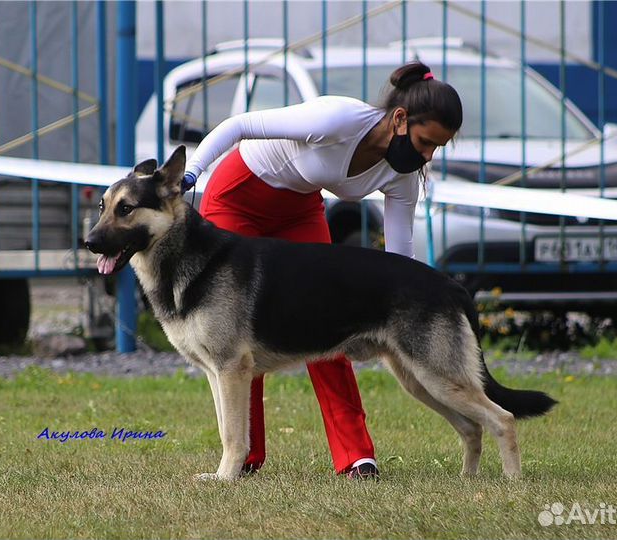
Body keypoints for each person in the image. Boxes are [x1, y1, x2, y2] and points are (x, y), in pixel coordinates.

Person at [181, 61, 463, 479]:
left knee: (330, 324)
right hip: (238, 195)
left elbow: (400, 261)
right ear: (400, 119)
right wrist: (191, 173)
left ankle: (356, 457)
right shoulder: (338, 118)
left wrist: (409, 309)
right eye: (425, 143)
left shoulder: (402, 174)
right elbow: (238, 126)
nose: (427, 156)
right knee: (237, 334)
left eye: (437, 148)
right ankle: (244, 458)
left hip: (298, 210)